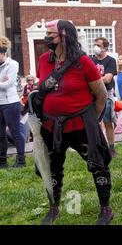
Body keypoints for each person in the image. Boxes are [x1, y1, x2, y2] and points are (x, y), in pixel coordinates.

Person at [36, 20, 112, 225]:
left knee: (98, 165)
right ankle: (54, 208)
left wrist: (91, 121)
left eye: (51, 35)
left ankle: (106, 208)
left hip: (81, 125)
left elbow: (101, 95)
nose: (47, 39)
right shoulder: (44, 60)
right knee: (52, 167)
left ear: (64, 36)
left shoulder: (83, 61)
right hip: (51, 126)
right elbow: (43, 88)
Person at [0, 37, 26, 169]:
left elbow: (8, 85)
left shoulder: (13, 64)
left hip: (10, 103)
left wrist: (4, 83)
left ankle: (21, 160)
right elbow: (3, 84)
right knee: (0, 134)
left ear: (2, 53)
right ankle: (2, 161)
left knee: (15, 132)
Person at [92, 37, 118, 157]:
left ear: (105, 48)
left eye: (98, 45)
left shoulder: (110, 61)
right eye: (95, 44)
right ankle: (97, 147)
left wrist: (92, 81)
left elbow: (107, 79)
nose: (96, 47)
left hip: (106, 94)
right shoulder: (91, 60)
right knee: (94, 122)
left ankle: (111, 148)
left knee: (108, 122)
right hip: (93, 95)